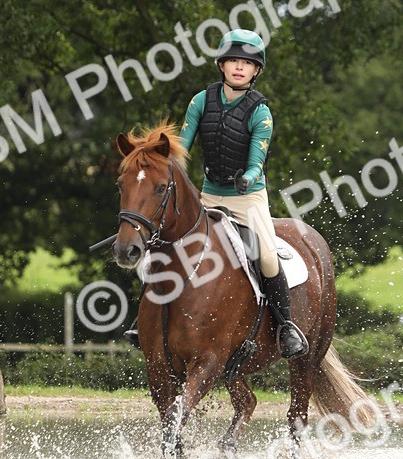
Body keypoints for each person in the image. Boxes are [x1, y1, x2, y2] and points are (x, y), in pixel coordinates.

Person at [123, 28, 309, 358]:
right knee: (163, 244)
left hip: (247, 198)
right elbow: (179, 149)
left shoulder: (260, 112)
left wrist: (248, 178)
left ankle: (285, 326)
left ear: (256, 71)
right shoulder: (200, 101)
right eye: (233, 61)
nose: (239, 67)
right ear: (221, 65)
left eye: (247, 63)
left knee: (266, 255)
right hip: (207, 195)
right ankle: (146, 319)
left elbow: (257, 160)